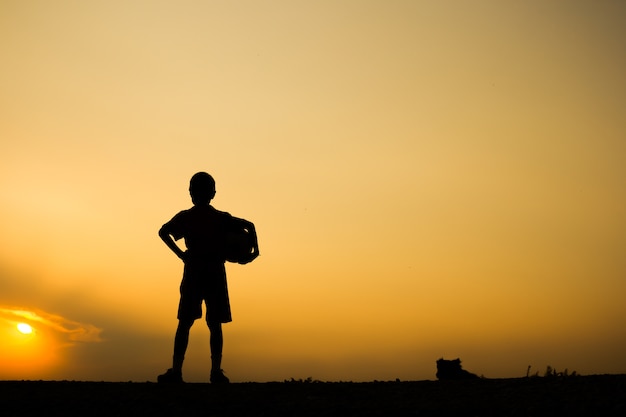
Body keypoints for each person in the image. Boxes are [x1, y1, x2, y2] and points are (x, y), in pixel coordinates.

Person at [157, 172, 259, 383]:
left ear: (191, 192)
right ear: (213, 193)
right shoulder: (221, 218)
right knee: (214, 324)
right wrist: (253, 252)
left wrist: (181, 255)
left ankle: (176, 371)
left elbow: (163, 232)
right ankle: (215, 371)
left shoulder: (187, 217)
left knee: (185, 322)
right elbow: (250, 225)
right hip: (214, 270)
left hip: (194, 269)